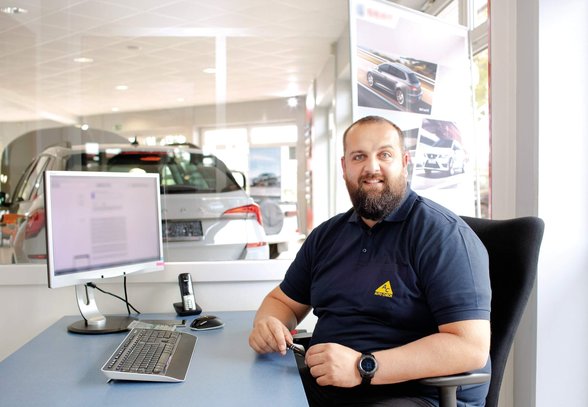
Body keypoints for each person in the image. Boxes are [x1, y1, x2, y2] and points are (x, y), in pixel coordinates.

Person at [248, 115, 491, 407]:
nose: (371, 167)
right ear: (344, 167)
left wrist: (362, 366)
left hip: (415, 395)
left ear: (404, 161)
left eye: (384, 154)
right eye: (359, 156)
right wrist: (268, 323)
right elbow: (284, 302)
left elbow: (469, 347)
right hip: (329, 387)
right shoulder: (327, 236)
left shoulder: (443, 236)